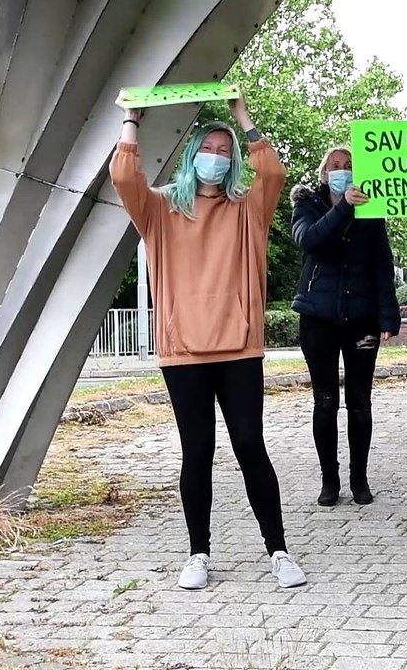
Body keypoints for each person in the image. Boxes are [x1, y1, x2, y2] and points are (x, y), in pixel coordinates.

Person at [110, 90, 306, 590]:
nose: (216, 158)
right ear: (192, 152)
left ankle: (278, 550)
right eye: (209, 148)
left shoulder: (248, 210)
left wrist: (243, 117)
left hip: (240, 347)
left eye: (225, 151)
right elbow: (124, 177)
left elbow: (274, 173)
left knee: (249, 446)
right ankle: (198, 553)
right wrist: (132, 118)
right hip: (183, 352)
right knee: (196, 450)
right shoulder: (158, 210)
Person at [291, 147, 401, 507]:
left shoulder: (373, 209)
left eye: (349, 166)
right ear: (325, 174)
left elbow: (382, 264)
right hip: (318, 317)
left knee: (360, 402)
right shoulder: (307, 203)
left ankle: (359, 477)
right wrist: (344, 207)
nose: (342, 171)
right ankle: (329, 479)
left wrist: (388, 316)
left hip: (362, 319)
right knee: (325, 400)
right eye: (336, 167)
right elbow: (311, 241)